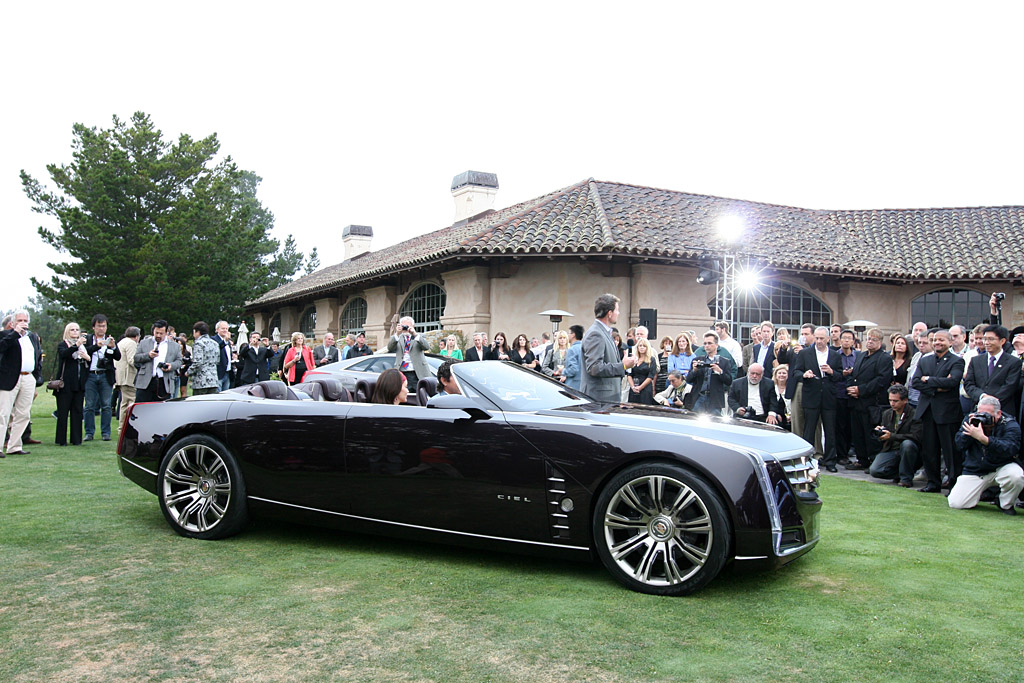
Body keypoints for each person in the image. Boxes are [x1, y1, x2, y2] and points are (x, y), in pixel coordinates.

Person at [949, 396, 1023, 514]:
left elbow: (1010, 448)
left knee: (1017, 476)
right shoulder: (971, 419)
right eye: (979, 413)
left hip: (1002, 467)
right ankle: (974, 495)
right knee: (956, 503)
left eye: (986, 414)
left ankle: (1005, 503)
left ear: (998, 414)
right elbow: (959, 445)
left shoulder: (1009, 424)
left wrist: (985, 440)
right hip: (976, 469)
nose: (982, 417)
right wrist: (970, 431)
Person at [911, 329, 965, 492]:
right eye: (934, 340)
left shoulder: (956, 361)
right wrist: (937, 388)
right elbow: (915, 382)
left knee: (950, 452)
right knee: (929, 450)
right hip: (927, 411)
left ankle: (954, 485)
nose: (937, 343)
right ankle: (933, 483)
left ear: (950, 342)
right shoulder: (925, 360)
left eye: (941, 340)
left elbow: (953, 382)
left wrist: (928, 380)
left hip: (947, 413)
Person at [790, 327, 844, 471]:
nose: (819, 341)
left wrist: (831, 372)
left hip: (828, 397)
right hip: (811, 395)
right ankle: (806, 460)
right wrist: (804, 374)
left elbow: (840, 376)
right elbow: (796, 372)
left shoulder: (835, 355)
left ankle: (831, 461)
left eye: (822, 338)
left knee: (830, 431)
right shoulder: (805, 354)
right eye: (817, 338)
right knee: (809, 430)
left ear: (828, 339)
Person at [846, 328, 893, 470]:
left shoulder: (884, 358)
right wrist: (850, 388)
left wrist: (861, 390)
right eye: (869, 339)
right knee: (857, 433)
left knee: (870, 434)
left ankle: (873, 460)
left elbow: (882, 380)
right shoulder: (861, 355)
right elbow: (853, 374)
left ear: (880, 342)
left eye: (874, 339)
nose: (870, 342)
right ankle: (861, 459)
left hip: (872, 403)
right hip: (855, 402)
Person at [0, 310, 43, 456]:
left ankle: (14, 446)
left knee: (23, 414)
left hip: (28, 377)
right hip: (9, 377)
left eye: (25, 321)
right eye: (19, 321)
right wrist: (14, 333)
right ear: (12, 323)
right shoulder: (6, 335)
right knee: (4, 413)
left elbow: (37, 357)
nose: (23, 323)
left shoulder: (32, 337)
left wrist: (37, 377)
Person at [581, 293, 635, 403]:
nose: (618, 313)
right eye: (617, 310)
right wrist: (623, 365)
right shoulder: (596, 334)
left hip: (605, 399)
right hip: (599, 400)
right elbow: (594, 368)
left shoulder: (603, 332)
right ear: (609, 313)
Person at [963, 324, 1022, 419]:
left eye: (991, 339)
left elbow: (1010, 386)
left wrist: (991, 402)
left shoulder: (1013, 362)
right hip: (978, 410)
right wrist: (982, 396)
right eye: (985, 339)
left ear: (1002, 341)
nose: (986, 342)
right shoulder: (975, 360)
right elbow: (969, 384)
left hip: (1003, 411)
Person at [869, 384, 922, 485]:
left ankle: (906, 478)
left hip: (910, 450)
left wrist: (892, 436)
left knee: (907, 444)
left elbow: (916, 436)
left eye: (895, 401)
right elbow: (886, 433)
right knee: (875, 470)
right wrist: (881, 432)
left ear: (905, 400)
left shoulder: (914, 414)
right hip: (891, 449)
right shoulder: (887, 413)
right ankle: (899, 473)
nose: (892, 403)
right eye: (890, 400)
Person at [82, 313, 122, 442]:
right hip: (90, 375)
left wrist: (113, 347)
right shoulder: (88, 339)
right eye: (99, 326)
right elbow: (84, 352)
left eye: (104, 326)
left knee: (106, 405)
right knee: (89, 405)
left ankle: (106, 432)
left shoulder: (110, 340)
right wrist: (96, 346)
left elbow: (118, 357)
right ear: (93, 327)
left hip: (105, 375)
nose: (102, 329)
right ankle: (89, 432)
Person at [54, 322, 90, 447]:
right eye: (72, 330)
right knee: (63, 412)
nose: (75, 332)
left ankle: (76, 439)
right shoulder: (63, 345)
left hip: (79, 384)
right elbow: (65, 354)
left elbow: (88, 359)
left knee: (77, 411)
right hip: (65, 385)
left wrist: (87, 357)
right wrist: (76, 345)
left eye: (77, 330)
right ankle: (61, 439)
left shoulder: (83, 348)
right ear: (67, 332)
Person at [685, 332, 734, 414]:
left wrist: (720, 372)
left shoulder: (724, 362)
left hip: (715, 399)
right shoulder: (698, 360)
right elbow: (688, 380)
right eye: (705, 343)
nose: (707, 346)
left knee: (715, 423)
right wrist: (694, 370)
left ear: (716, 345)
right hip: (699, 397)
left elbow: (729, 381)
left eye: (709, 343)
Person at [134, 320, 183, 403]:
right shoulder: (144, 343)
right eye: (156, 333)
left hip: (164, 382)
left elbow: (179, 361)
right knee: (141, 409)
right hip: (146, 382)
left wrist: (171, 366)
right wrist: (148, 355)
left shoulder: (175, 346)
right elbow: (136, 358)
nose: (158, 335)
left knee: (162, 410)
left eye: (161, 333)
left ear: (167, 332)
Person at [387, 316, 431, 386]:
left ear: (413, 326)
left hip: (417, 371)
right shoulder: (397, 338)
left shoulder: (419, 336)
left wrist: (415, 334)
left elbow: (426, 347)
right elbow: (390, 348)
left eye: (407, 326)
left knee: (419, 394)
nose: (406, 329)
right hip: (402, 371)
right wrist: (397, 334)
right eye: (403, 326)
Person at [114, 327, 140, 427]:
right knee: (132, 402)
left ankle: (122, 427)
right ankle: (128, 427)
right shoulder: (131, 343)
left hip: (120, 377)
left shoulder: (121, 342)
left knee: (124, 404)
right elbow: (132, 360)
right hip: (128, 378)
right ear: (137, 336)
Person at [189, 322, 221, 395]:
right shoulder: (215, 343)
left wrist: (188, 372)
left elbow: (198, 362)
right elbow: (217, 360)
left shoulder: (198, 343)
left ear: (197, 331)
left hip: (201, 381)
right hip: (213, 380)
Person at [627, 337, 656, 405]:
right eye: (640, 346)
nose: (642, 347)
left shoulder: (651, 360)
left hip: (645, 388)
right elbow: (629, 374)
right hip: (634, 387)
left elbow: (650, 376)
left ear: (647, 348)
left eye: (644, 346)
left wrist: (640, 387)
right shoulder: (633, 359)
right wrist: (633, 387)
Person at [214, 321, 234, 391]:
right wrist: (224, 341)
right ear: (217, 330)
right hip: (218, 372)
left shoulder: (228, 342)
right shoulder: (214, 340)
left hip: (227, 372)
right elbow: (216, 349)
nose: (225, 330)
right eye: (223, 328)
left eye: (226, 329)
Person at [563, 325, 585, 391]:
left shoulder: (572, 350)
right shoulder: (585, 348)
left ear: (573, 335)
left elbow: (573, 370)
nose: (568, 336)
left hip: (573, 386)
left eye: (568, 333)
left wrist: (563, 371)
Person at [770, 364, 791, 430]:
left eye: (784, 373)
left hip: (790, 418)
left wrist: (791, 416)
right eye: (779, 373)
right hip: (775, 418)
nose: (781, 375)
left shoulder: (791, 388)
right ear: (775, 375)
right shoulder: (771, 387)